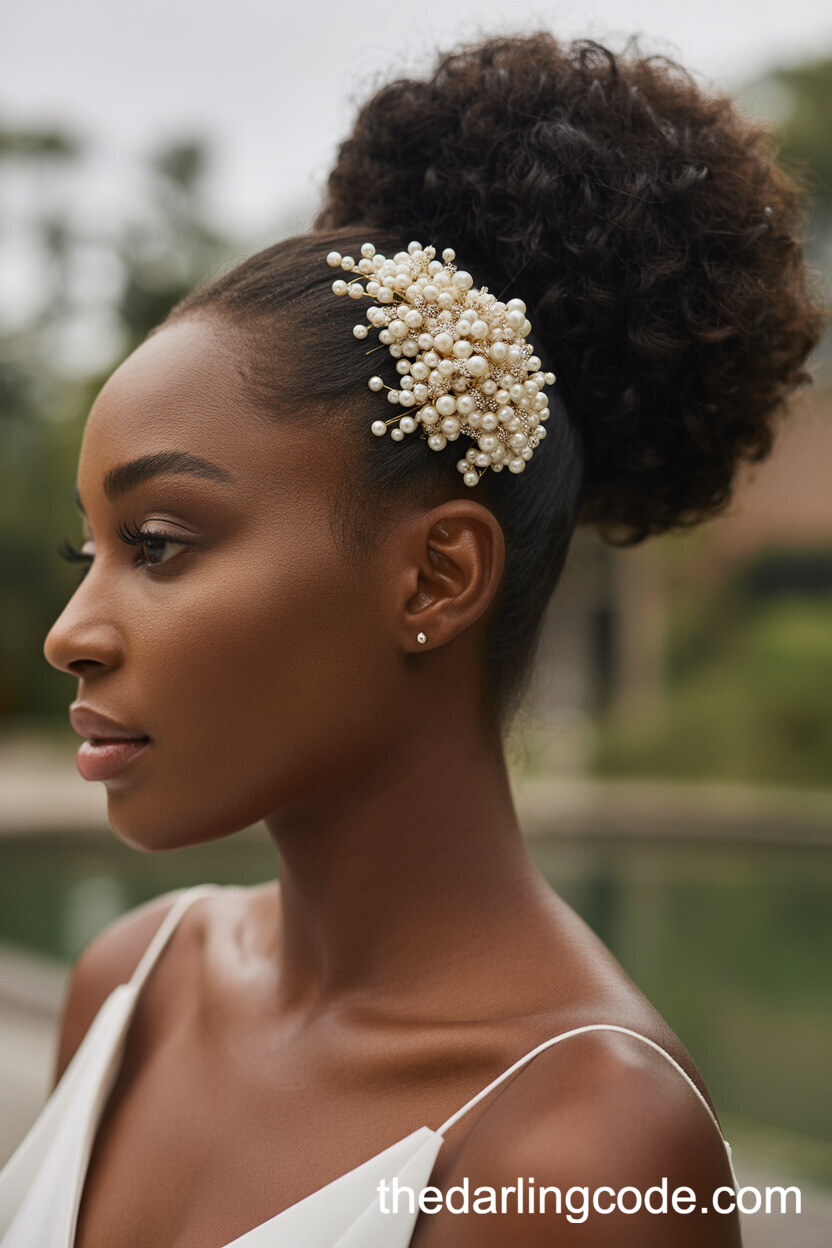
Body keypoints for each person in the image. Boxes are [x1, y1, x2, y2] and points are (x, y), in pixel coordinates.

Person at [1, 30, 825, 1248]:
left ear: (435, 576)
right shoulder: (132, 984)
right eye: (93, 552)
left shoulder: (581, 1153)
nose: (74, 633)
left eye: (160, 542)